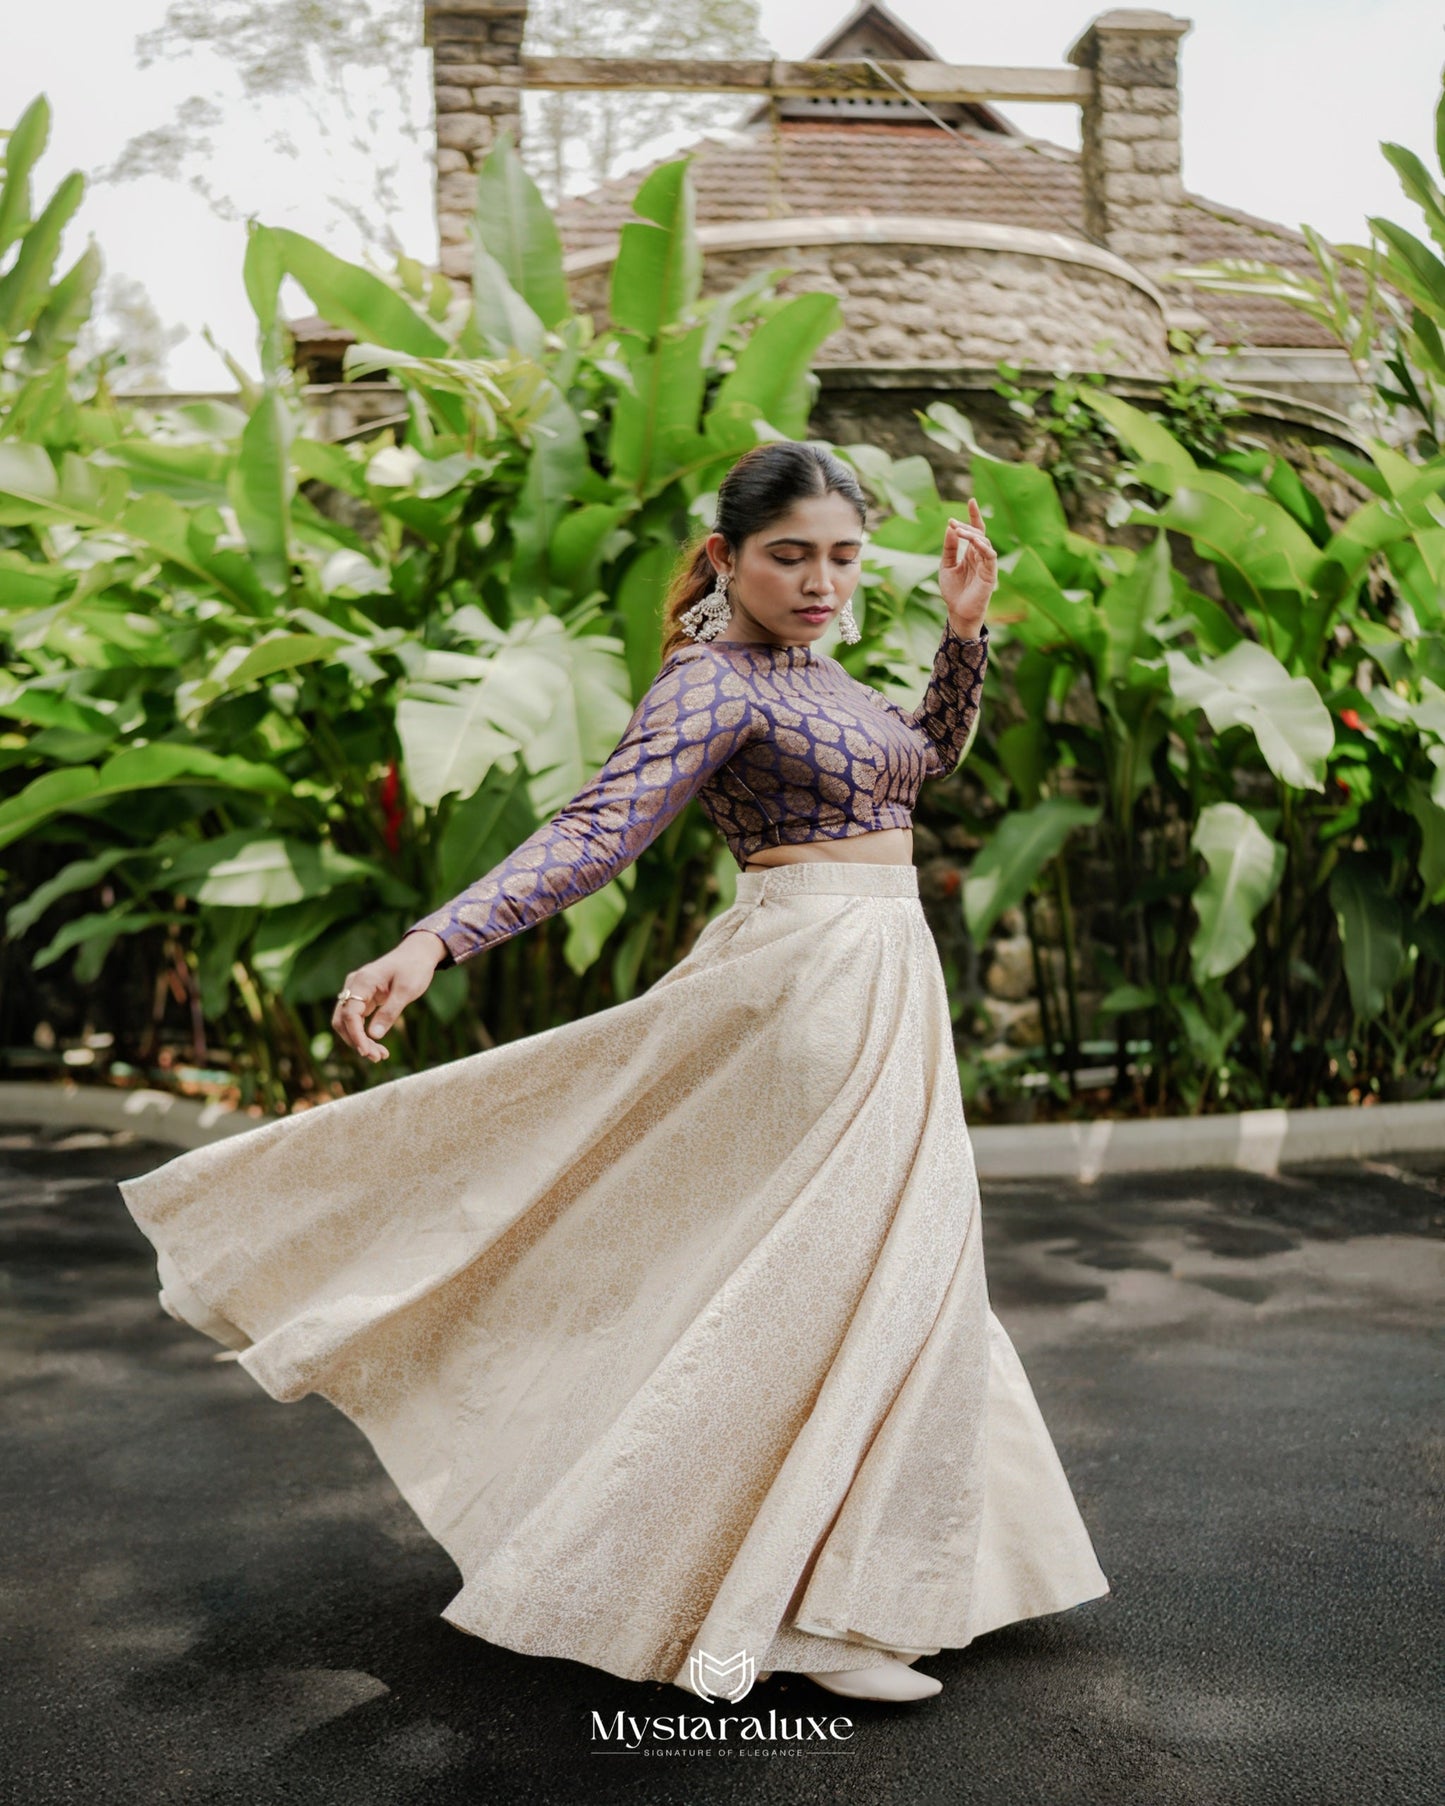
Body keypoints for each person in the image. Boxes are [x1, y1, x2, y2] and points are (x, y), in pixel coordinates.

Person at [118, 441, 1109, 1710]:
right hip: (809, 992)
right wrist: (435, 939)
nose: (818, 581)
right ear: (728, 559)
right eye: (788, 556)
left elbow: (920, 765)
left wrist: (963, 637)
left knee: (902, 1282)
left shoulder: (820, 674)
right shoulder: (709, 683)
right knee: (841, 1285)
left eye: (842, 558)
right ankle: (800, 1614)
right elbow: (596, 828)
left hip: (882, 977)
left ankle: (883, 1576)